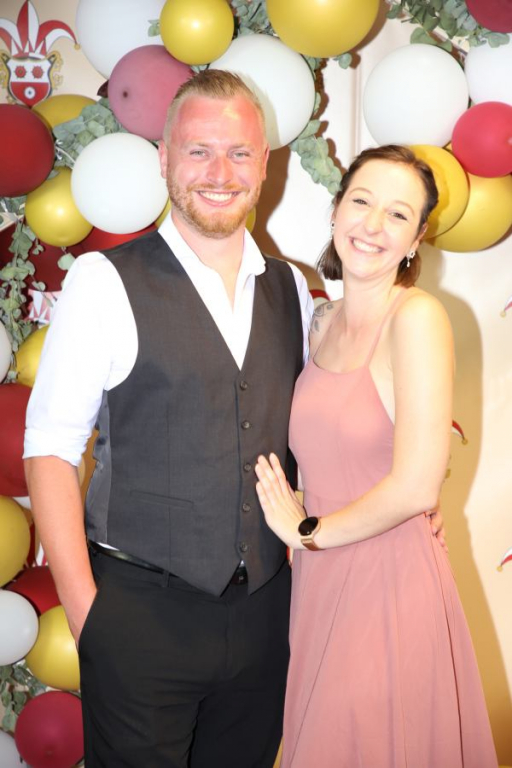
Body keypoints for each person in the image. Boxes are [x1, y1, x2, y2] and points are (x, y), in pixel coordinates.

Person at [23, 70, 314, 768]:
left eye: (239, 153)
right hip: (139, 618)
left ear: (264, 164)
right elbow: (49, 449)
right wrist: (91, 618)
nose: (220, 173)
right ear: (163, 159)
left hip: (265, 617)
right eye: (198, 151)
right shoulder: (104, 282)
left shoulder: (293, 289)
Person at [255, 145, 498, 768]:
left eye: (398, 214)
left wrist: (307, 531)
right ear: (336, 211)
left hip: (387, 580)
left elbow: (416, 486)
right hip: (318, 583)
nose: (372, 225)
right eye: (362, 201)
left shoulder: (417, 317)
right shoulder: (319, 322)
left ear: (416, 239)